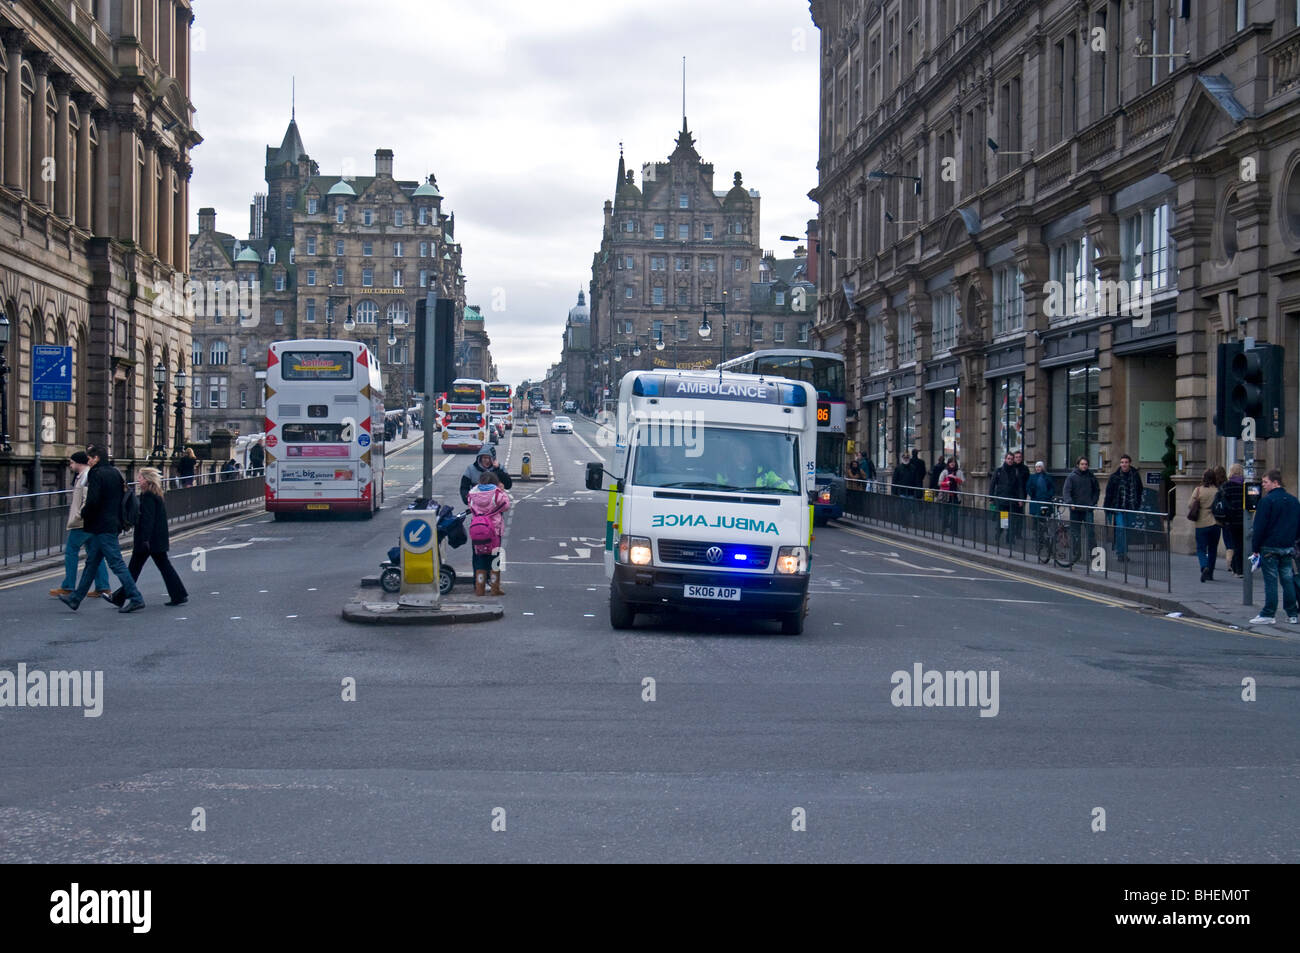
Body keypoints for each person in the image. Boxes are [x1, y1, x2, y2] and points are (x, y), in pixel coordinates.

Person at [58, 446, 145, 613]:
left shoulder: (96, 474)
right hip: (111, 523)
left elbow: (93, 500)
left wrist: (84, 513)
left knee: (116, 563)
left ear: (96, 458)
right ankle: (75, 599)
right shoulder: (115, 472)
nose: (88, 461)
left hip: (102, 525)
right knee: (91, 563)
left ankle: (136, 598)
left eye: (90, 458)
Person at [109, 467, 188, 608]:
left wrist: (145, 539)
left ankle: (120, 597)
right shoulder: (154, 493)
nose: (138, 480)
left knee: (135, 569)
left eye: (140, 478)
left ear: (146, 479)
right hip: (155, 539)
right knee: (155, 567)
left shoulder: (148, 496)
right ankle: (179, 594)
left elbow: (148, 519)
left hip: (148, 540)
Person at [50, 451, 111, 599]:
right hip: (89, 522)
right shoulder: (82, 476)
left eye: (71, 462)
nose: (70, 465)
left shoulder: (87, 477)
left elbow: (88, 500)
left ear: (78, 463)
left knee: (71, 550)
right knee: (94, 554)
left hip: (82, 523)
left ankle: (68, 585)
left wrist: (79, 517)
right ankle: (103, 587)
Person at [1248, 469, 1300, 625]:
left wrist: (1255, 548)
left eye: (1266, 482)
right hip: (1287, 546)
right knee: (1287, 580)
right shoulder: (1293, 501)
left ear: (1275, 482)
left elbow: (1259, 527)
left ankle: (1268, 613)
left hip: (1269, 546)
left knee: (1271, 581)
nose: (1263, 485)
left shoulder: (1266, 501)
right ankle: (1292, 614)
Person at [467, 470, 511, 596]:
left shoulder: (473, 493)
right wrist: (502, 491)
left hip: (478, 529)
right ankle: (495, 588)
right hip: (494, 530)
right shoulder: (497, 493)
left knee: (480, 557)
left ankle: (479, 589)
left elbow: (470, 506)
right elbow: (506, 506)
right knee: (495, 559)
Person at [1103, 454, 1144, 562]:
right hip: (1118, 508)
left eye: (1126, 462)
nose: (1124, 464)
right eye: (1122, 462)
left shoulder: (1135, 475)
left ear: (1129, 463)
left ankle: (1124, 551)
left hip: (1131, 507)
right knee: (1120, 529)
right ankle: (1121, 553)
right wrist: (1107, 508)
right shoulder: (1114, 477)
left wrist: (1137, 504)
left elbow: (1140, 490)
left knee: (1127, 531)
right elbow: (1109, 493)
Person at [1189, 469, 1222, 583]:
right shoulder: (1218, 491)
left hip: (1202, 523)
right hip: (1216, 523)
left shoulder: (1198, 490)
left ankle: (1204, 566)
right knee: (1213, 549)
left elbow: (1190, 504)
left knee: (1201, 548)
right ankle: (1210, 573)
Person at [1063, 456, 1100, 560]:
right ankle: (1076, 553)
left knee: (1090, 532)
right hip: (1075, 510)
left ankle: (1093, 553)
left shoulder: (1091, 476)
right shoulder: (1071, 477)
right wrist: (1070, 503)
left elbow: (1096, 490)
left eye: (1086, 464)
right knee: (1076, 533)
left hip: (1088, 509)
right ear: (1078, 465)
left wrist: (1093, 502)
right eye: (1082, 464)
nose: (1084, 466)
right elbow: (1066, 491)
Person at [989, 451, 1026, 545]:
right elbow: (992, 484)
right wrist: (991, 498)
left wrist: (1021, 499)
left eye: (1011, 459)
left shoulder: (1016, 471)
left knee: (1012, 521)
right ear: (1005, 459)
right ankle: (998, 535)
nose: (1010, 461)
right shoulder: (999, 470)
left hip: (1012, 501)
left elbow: (1020, 486)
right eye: (1008, 459)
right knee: (1003, 521)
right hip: (1002, 501)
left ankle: (1009, 539)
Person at [1219, 464, 1246, 576]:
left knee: (1235, 545)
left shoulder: (1226, 486)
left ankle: (1237, 569)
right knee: (1241, 545)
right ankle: (1237, 568)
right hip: (1243, 520)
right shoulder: (1244, 486)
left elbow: (1222, 503)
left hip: (1230, 520)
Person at [1026, 461, 1055, 544]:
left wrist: (1049, 495)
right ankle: (1037, 536)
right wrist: (1032, 493)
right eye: (1037, 467)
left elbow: (1052, 488)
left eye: (1039, 466)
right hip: (1036, 502)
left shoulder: (1048, 477)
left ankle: (1044, 535)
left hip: (1046, 501)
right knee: (1036, 519)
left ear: (1042, 467)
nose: (1038, 468)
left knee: (1044, 519)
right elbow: (1028, 487)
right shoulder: (1032, 477)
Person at [938, 457, 964, 534]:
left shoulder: (959, 472)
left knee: (955, 514)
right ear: (948, 463)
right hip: (946, 495)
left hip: (956, 495)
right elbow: (939, 483)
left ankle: (954, 530)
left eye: (954, 462)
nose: (952, 463)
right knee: (946, 513)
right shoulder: (945, 472)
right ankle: (944, 528)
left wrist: (955, 478)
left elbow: (962, 482)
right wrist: (946, 483)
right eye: (950, 462)